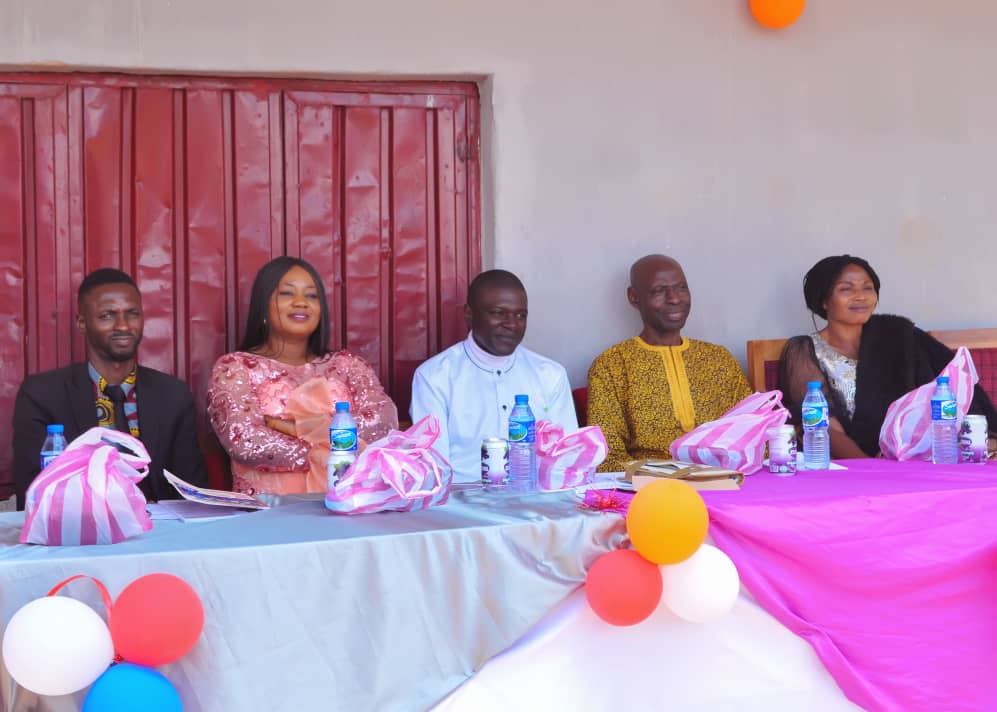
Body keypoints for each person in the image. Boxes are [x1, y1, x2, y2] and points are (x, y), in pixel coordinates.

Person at [12, 268, 207, 509]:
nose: (123, 326)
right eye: (107, 316)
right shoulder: (43, 395)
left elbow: (192, 488)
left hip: (159, 527)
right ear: (82, 323)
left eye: (132, 314)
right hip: (80, 527)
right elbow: (33, 491)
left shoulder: (173, 395)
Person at [207, 256, 398, 495]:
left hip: (348, 503)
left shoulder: (349, 366)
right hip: (267, 509)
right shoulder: (234, 368)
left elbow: (383, 425)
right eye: (287, 293)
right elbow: (245, 442)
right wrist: (332, 452)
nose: (301, 303)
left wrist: (295, 428)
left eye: (312, 296)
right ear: (263, 306)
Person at [778, 254, 997, 458]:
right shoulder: (803, 350)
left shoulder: (900, 336)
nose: (861, 296)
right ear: (823, 300)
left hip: (914, 460)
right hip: (850, 467)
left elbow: (955, 385)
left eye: (868, 288)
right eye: (846, 289)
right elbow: (823, 428)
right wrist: (871, 470)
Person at [409, 269, 578, 482]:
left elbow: (567, 460)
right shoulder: (435, 377)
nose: (512, 324)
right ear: (469, 314)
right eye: (498, 313)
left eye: (520, 315)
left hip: (536, 498)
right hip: (458, 498)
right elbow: (434, 468)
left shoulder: (550, 374)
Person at [587, 254, 752, 472]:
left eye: (681, 288)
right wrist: (670, 477)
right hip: (652, 485)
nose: (674, 299)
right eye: (659, 291)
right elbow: (607, 457)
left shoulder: (719, 359)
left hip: (728, 479)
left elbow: (752, 434)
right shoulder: (611, 366)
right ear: (634, 297)